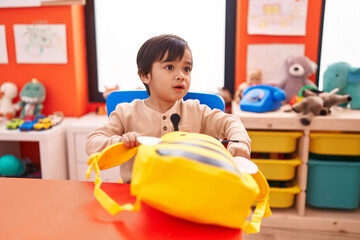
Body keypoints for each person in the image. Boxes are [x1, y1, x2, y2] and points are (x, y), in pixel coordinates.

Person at [85, 34, 251, 183]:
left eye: (187, 69)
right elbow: (93, 143)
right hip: (137, 193)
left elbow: (231, 121)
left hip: (186, 194)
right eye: (170, 67)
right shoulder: (125, 112)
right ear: (145, 75)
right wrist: (120, 142)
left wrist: (240, 142)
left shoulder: (197, 111)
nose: (181, 75)